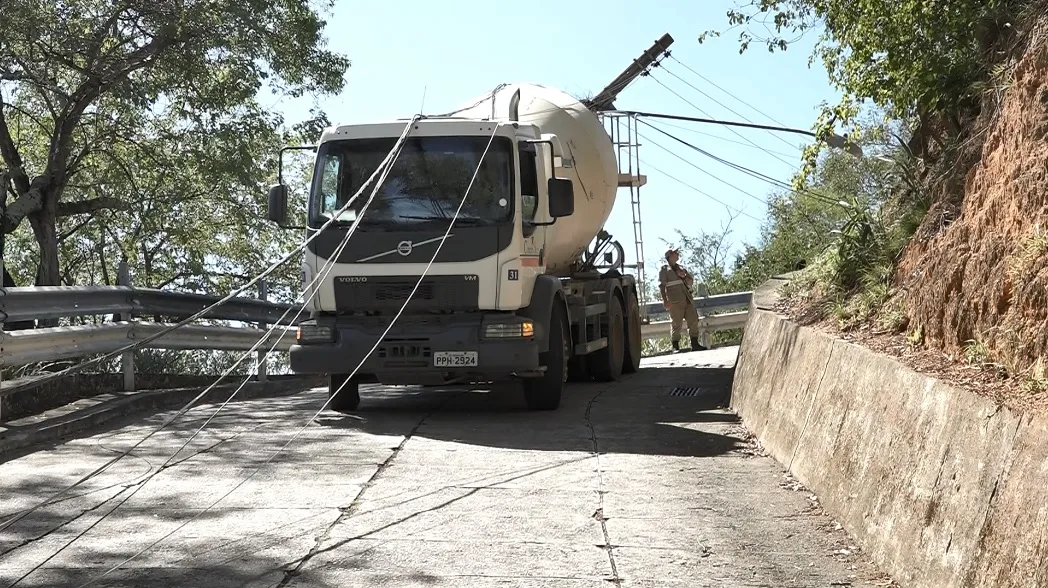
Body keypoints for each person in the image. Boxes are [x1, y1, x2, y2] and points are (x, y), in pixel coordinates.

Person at [658, 248, 706, 352]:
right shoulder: (664, 270)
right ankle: (675, 345)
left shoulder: (681, 268)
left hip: (687, 298)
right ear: (670, 256)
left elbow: (690, 281)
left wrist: (684, 277)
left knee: (693, 319)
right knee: (676, 323)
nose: (678, 254)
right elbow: (662, 286)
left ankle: (694, 343)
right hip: (675, 300)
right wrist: (665, 300)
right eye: (675, 253)